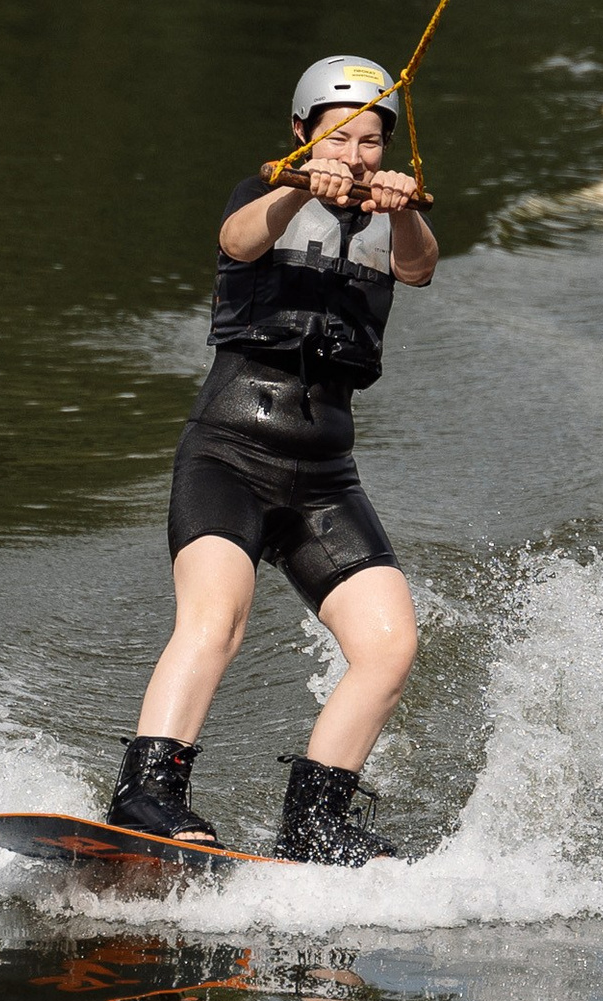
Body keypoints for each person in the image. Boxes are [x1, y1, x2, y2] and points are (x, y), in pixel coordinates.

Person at [111, 53, 437, 866]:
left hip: (325, 477)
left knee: (390, 643)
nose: (355, 155)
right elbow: (237, 238)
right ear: (301, 132)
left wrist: (403, 209)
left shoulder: (387, 217)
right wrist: (300, 187)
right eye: (339, 137)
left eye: (371, 141)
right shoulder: (262, 198)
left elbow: (419, 266)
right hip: (229, 453)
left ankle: (315, 822)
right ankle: (147, 795)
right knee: (216, 618)